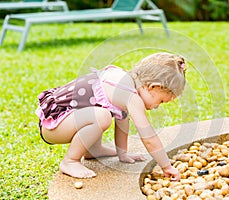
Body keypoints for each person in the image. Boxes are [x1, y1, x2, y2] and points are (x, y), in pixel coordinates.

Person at [35, 52, 186, 180]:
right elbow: (149, 137)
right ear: (154, 86)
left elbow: (122, 120)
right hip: (54, 124)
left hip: (65, 120)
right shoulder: (131, 96)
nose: (156, 106)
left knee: (102, 114)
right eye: (160, 101)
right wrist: (167, 166)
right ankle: (70, 161)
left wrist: (123, 153)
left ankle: (94, 149)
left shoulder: (126, 84)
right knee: (102, 116)